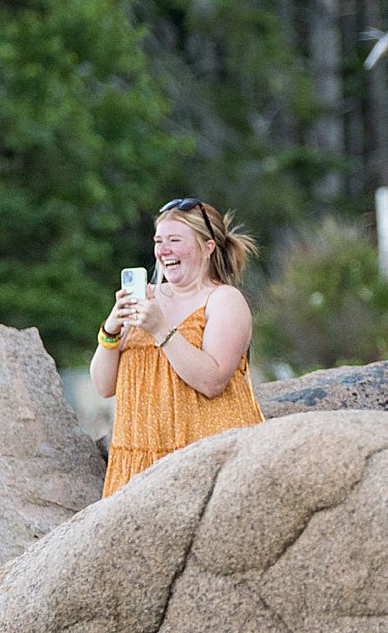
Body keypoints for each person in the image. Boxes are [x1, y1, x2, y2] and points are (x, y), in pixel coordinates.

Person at [92, 198, 264, 496]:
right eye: (159, 241)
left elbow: (212, 381)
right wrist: (111, 329)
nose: (163, 250)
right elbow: (104, 386)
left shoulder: (224, 300)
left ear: (208, 246)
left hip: (207, 455)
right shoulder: (145, 299)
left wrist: (160, 328)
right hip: (139, 461)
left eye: (174, 240)